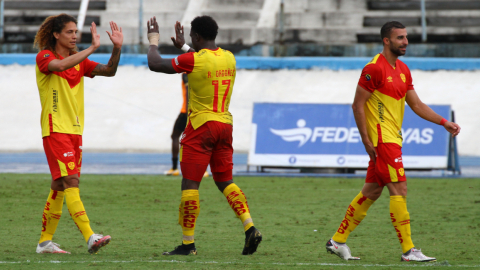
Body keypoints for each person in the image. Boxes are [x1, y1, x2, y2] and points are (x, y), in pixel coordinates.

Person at [325, 21, 461, 262]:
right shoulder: (374, 69)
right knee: (400, 189)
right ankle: (409, 251)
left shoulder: (403, 69)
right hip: (382, 141)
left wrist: (443, 122)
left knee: (372, 191)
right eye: (400, 38)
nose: (405, 42)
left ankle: (337, 241)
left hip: (392, 139)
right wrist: (367, 141)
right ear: (386, 41)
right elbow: (357, 105)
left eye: (406, 37)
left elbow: (416, 104)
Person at [146, 15, 262, 255]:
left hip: (201, 127)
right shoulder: (229, 57)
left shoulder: (194, 60)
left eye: (191, 37)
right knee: (224, 180)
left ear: (197, 36)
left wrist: (153, 40)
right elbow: (206, 58)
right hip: (225, 126)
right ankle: (250, 227)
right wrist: (185, 47)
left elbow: (155, 64)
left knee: (190, 184)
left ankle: (188, 244)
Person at [33, 13, 123, 254]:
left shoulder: (79, 60)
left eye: (76, 32)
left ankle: (44, 242)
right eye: (70, 32)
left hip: (74, 130)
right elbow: (59, 66)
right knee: (72, 181)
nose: (75, 36)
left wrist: (117, 48)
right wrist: (92, 48)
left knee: (59, 185)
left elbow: (110, 71)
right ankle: (90, 236)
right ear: (55, 34)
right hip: (55, 129)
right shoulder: (45, 56)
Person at [164, 73, 189, 176]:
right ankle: (203, 170)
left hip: (186, 112)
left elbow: (188, 92)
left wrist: (188, 111)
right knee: (198, 139)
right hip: (199, 111)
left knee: (175, 136)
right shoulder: (201, 71)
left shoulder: (186, 73)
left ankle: (175, 168)